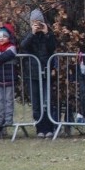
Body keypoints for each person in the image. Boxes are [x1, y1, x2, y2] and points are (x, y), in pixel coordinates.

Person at [20, 9, 57, 138]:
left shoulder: (48, 34)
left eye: (40, 22)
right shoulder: (28, 34)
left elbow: (52, 48)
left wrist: (47, 34)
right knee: (36, 103)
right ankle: (40, 128)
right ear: (31, 23)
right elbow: (23, 45)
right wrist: (32, 33)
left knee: (47, 102)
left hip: (46, 73)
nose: (38, 25)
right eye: (35, 23)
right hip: (32, 74)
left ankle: (49, 128)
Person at [0, 28, 17, 130]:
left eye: (4, 36)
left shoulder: (11, 47)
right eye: (0, 37)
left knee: (8, 100)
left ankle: (8, 119)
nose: (2, 39)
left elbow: (9, 54)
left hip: (9, 78)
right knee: (0, 100)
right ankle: (0, 118)